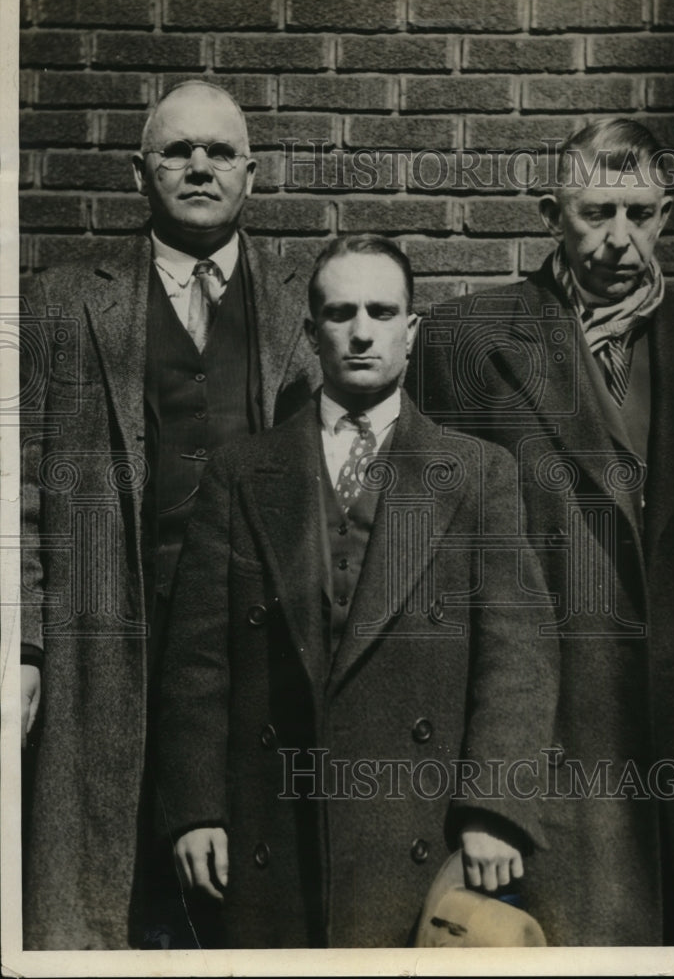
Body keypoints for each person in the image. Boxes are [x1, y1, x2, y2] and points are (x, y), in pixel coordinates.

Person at [154, 234, 560, 947]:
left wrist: (494, 808)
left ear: (411, 329)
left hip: (420, 825)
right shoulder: (240, 470)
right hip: (270, 826)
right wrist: (195, 810)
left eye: (382, 311)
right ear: (312, 333)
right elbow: (197, 660)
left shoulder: (476, 472)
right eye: (341, 314)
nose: (362, 332)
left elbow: (517, 657)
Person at [407, 117, 674, 946]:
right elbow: (430, 587)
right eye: (596, 212)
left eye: (639, 214)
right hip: (558, 753)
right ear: (550, 215)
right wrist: (487, 790)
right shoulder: (467, 342)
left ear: (665, 217)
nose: (618, 239)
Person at [19, 79, 319, 949]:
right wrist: (25, 646)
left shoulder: (305, 302)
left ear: (251, 174)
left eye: (220, 152)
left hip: (253, 649)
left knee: (249, 897)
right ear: (138, 172)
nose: (198, 167)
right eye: (176, 151)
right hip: (103, 645)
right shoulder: (62, 301)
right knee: (107, 899)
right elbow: (19, 484)